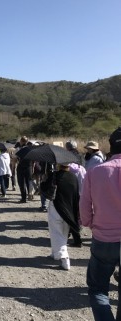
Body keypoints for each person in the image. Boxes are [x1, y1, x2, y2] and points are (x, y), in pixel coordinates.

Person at [80, 127, 121, 320]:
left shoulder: (96, 171)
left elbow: (84, 205)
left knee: (98, 289)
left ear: (110, 147)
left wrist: (89, 223)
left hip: (104, 238)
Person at [46, 163, 80, 270]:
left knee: (56, 233)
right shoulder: (73, 177)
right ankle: (55, 253)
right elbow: (76, 195)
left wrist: (44, 180)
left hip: (56, 207)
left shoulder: (54, 175)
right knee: (64, 233)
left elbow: (44, 189)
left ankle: (65, 259)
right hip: (69, 209)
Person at [16, 136, 32, 203]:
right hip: (29, 167)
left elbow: (17, 158)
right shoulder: (30, 149)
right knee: (29, 182)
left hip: (21, 167)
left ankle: (23, 198)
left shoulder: (20, 149)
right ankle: (30, 195)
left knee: (22, 183)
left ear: (22, 141)